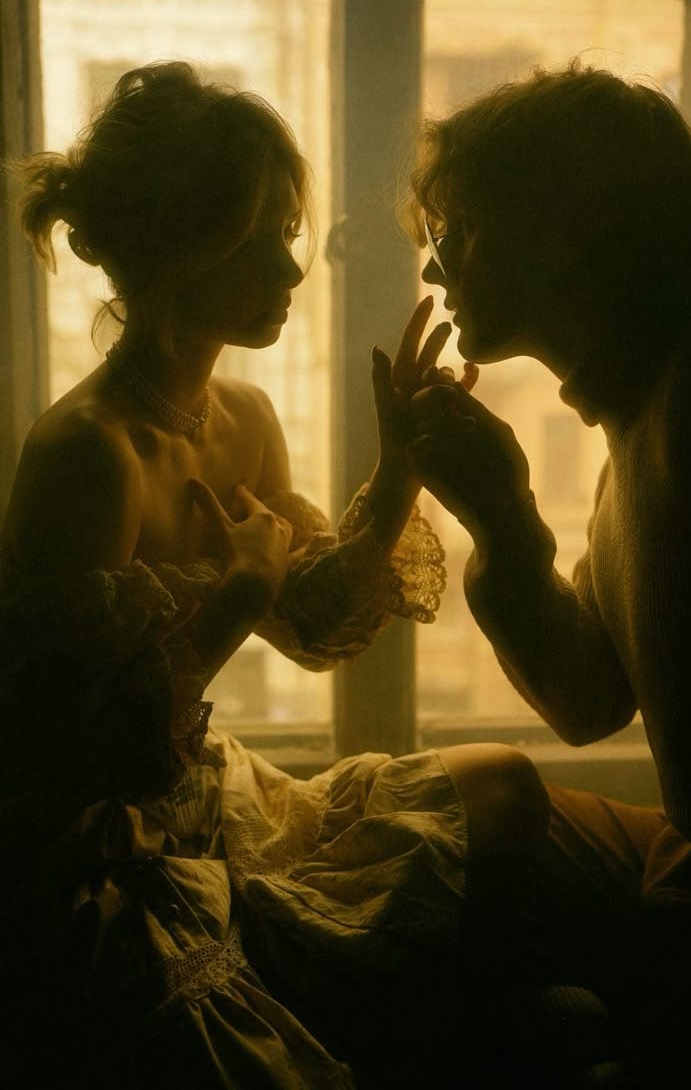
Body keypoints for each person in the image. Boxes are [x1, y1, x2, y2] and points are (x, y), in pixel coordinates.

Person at [0, 62, 551, 1089]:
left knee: (504, 787)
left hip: (216, 800)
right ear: (179, 245)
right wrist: (238, 597)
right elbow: (82, 761)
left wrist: (399, 467)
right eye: (258, 236)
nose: (290, 271)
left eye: (288, 233)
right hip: (89, 863)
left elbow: (318, 628)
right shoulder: (87, 453)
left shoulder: (245, 417)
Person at [402, 60, 691, 1084]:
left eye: (456, 231)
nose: (433, 269)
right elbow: (589, 697)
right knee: (430, 825)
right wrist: (501, 516)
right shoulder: (642, 407)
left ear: (563, 230)